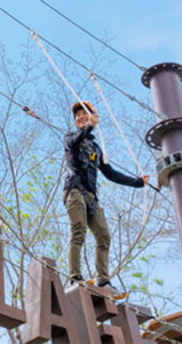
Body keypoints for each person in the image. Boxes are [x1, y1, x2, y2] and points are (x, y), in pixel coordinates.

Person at [63, 101, 149, 293]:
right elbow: (74, 142)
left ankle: (104, 280)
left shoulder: (96, 148)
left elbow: (109, 173)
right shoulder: (71, 138)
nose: (80, 117)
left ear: (93, 116)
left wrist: (137, 182)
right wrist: (90, 126)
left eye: (84, 114)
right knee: (78, 231)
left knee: (103, 236)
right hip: (75, 190)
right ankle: (75, 277)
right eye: (77, 116)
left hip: (92, 196)